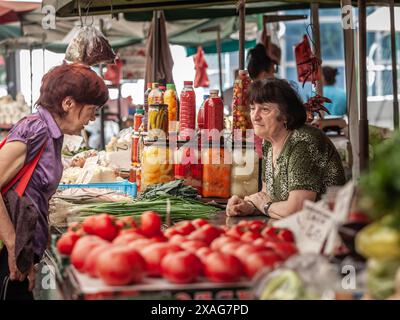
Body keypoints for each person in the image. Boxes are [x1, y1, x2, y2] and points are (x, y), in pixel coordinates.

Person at [0, 63, 108, 299]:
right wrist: (12, 246)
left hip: (23, 248)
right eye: (92, 109)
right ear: (68, 103)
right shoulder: (36, 129)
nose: (92, 118)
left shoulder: (53, 134)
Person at [226, 79, 346, 219]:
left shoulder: (304, 141)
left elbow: (297, 209)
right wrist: (248, 206)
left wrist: (263, 205)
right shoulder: (269, 143)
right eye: (253, 108)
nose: (255, 116)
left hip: (325, 230)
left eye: (265, 109)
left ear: (285, 115)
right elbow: (267, 196)